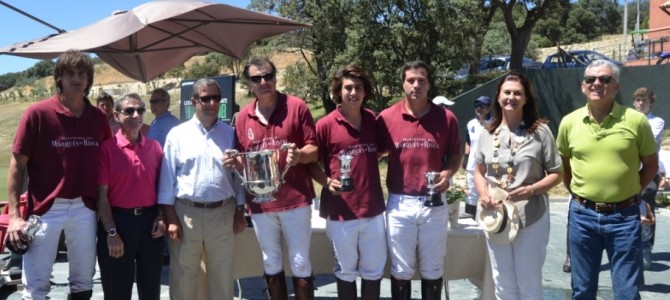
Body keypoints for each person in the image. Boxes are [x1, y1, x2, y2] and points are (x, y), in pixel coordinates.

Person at [6, 49, 112, 300]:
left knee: (83, 282)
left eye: (82, 74)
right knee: (36, 287)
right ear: (59, 78)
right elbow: (16, 166)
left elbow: (107, 162)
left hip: (85, 207)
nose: (77, 79)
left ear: (89, 80)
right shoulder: (38, 113)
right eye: (70, 73)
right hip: (45, 208)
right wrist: (14, 216)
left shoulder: (98, 117)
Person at [557, 59, 658, 299]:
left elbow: (651, 166)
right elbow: (565, 168)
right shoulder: (569, 123)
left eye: (605, 79)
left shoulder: (636, 121)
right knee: (582, 291)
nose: (597, 83)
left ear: (616, 86)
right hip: (582, 217)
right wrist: (581, 195)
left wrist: (632, 192)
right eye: (590, 79)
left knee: (627, 292)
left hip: (624, 217)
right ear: (583, 86)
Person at [224, 56, 318, 300]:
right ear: (250, 84)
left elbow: (314, 149)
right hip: (260, 202)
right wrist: (232, 161)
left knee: (300, 260)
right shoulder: (242, 117)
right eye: (257, 78)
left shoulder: (297, 106)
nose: (264, 81)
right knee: (270, 259)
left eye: (268, 76)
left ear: (276, 77)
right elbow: (242, 158)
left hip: (296, 199)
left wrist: (299, 155)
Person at [376, 60, 462, 300]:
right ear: (403, 84)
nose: (416, 85)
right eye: (411, 80)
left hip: (433, 204)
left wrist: (447, 173)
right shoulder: (386, 117)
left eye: (421, 80)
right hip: (399, 204)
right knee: (401, 271)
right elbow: (376, 152)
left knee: (433, 270)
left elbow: (456, 154)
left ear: (429, 84)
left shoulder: (446, 118)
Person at [473, 72, 562, 299]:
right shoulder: (486, 132)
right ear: (498, 96)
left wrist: (532, 189)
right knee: (502, 281)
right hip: (496, 217)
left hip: (530, 216)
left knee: (529, 282)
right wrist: (483, 193)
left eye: (517, 93)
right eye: (507, 92)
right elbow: (478, 171)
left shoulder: (540, 131)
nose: (511, 97)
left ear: (526, 99)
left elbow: (557, 173)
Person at [157, 78, 247, 300]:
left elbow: (239, 178)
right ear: (194, 101)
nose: (212, 103)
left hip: (223, 212)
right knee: (184, 274)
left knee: (222, 274)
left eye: (216, 98)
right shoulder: (177, 135)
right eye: (206, 98)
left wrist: (239, 211)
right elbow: (167, 180)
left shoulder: (231, 133)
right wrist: (171, 218)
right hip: (186, 213)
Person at [307, 66, 386, 299]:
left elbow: (381, 151)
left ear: (365, 92)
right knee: (346, 271)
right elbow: (310, 163)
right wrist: (327, 181)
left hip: (373, 210)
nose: (353, 92)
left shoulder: (373, 120)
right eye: (348, 88)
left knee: (373, 272)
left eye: (358, 88)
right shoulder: (325, 125)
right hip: (341, 212)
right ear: (338, 92)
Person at [96, 93, 165, 300]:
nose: (136, 114)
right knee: (117, 290)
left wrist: (161, 216)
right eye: (129, 111)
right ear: (116, 115)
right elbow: (102, 197)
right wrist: (111, 233)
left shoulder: (155, 147)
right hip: (119, 223)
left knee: (151, 288)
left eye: (140, 110)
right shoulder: (106, 150)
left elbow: (162, 187)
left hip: (150, 222)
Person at [632, 87, 664, 269]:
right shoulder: (626, 119)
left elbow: (648, 141)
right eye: (638, 100)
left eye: (644, 100)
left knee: (647, 207)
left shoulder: (657, 121)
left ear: (651, 103)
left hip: (649, 171)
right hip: (628, 171)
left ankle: (646, 247)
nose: (641, 103)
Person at [463, 95, 492, 217]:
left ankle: (490, 223)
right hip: (471, 166)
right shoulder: (471, 124)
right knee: (471, 195)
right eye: (476, 106)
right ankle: (470, 222)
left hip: (489, 166)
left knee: (488, 195)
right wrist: (465, 157)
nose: (478, 108)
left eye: (482, 106)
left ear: (489, 108)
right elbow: (468, 141)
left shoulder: (495, 123)